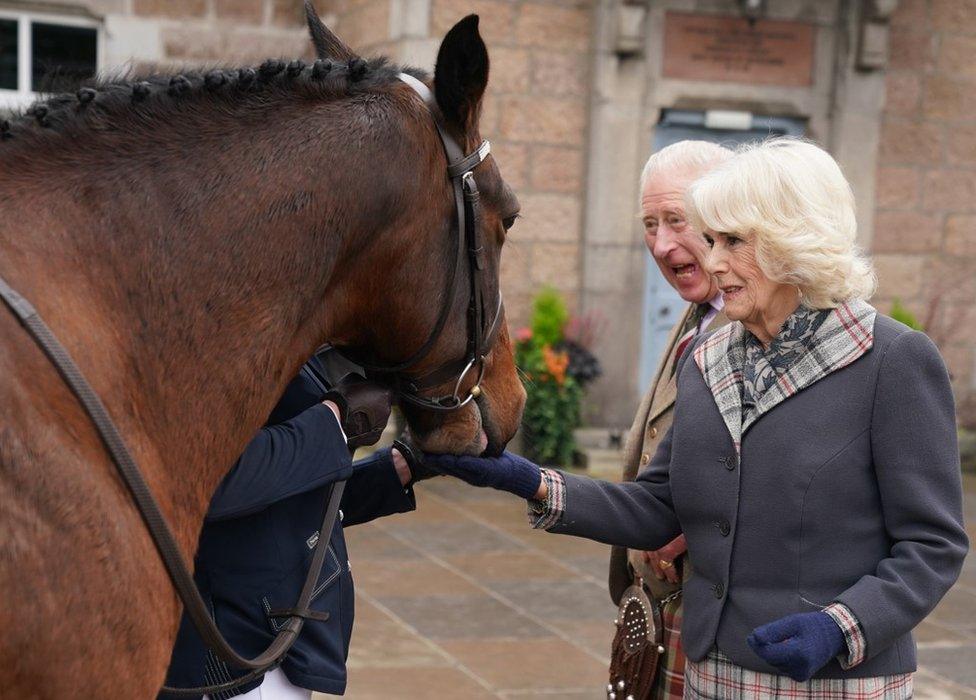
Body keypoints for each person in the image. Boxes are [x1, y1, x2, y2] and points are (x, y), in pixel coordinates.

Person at [424, 138, 969, 699]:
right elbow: (660, 507)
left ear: (794, 238)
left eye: (732, 241)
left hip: (837, 684)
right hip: (712, 675)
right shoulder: (705, 356)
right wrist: (528, 480)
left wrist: (841, 626)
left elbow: (932, 545)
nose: (711, 262)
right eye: (710, 240)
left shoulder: (894, 361)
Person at [161, 352, 424, 699]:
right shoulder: (200, 347)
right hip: (231, 657)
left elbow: (290, 499)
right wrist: (333, 422)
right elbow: (216, 482)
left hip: (274, 649)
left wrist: (398, 469)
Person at [606, 140, 732, 699]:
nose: (660, 244)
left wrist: (698, 525)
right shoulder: (698, 311)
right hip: (654, 601)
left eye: (677, 220)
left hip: (712, 608)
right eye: (650, 223)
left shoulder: (764, 325)